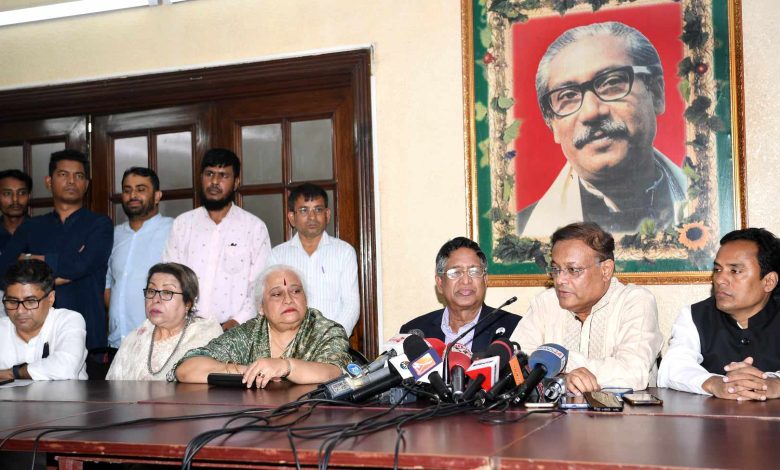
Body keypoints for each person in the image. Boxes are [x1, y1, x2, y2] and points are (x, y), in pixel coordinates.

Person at [517, 22, 687, 238]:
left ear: (656, 93)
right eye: (567, 96)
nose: (591, 112)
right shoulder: (521, 234)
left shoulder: (707, 202)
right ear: (553, 125)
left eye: (611, 83)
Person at [511, 222, 662, 394]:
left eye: (573, 270)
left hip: (622, 410)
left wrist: (559, 360)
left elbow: (633, 373)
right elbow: (516, 364)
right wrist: (563, 379)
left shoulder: (635, 301)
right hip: (555, 411)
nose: (559, 280)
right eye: (556, 269)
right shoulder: (546, 302)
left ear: (606, 270)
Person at [0, 150, 113, 351]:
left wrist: (29, 260)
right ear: (49, 182)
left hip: (88, 331)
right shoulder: (31, 226)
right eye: (63, 174)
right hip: (34, 336)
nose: (71, 181)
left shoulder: (100, 224)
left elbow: (81, 265)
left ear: (86, 184)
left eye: (78, 176)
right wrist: (64, 270)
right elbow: (5, 271)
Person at [173, 264, 350, 387]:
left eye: (296, 291)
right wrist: (251, 371)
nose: (288, 299)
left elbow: (335, 371)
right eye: (277, 294)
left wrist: (285, 367)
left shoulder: (326, 330)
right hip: (257, 417)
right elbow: (186, 370)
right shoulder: (248, 333)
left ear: (306, 298)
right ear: (261, 307)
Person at [659, 228, 780, 400]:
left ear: (768, 282)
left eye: (735, 271)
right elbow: (671, 368)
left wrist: (773, 384)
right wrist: (715, 383)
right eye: (717, 269)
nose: (720, 279)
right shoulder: (694, 316)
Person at [163, 148, 271, 331]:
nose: (214, 181)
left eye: (223, 175)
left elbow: (260, 285)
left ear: (236, 182)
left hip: (236, 331)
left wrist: (236, 323)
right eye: (209, 174)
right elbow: (170, 278)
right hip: (186, 330)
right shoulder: (183, 224)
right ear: (201, 178)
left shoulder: (254, 228)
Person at [400, 237, 521, 352]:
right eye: (455, 272)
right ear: (440, 283)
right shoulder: (414, 333)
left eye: (474, 271)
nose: (466, 281)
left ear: (485, 280)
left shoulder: (515, 328)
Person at [268, 183, 359, 334]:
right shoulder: (277, 256)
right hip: (289, 341)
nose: (312, 217)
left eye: (318, 210)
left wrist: (332, 339)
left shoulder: (344, 252)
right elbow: (272, 304)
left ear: (327, 215)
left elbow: (351, 305)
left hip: (331, 341)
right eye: (304, 210)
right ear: (292, 217)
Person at [106, 263, 222, 381]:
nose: (155, 299)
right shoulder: (135, 339)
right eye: (151, 291)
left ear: (188, 303)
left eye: (167, 292)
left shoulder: (205, 338)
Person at [105, 167, 174, 348]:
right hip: (117, 344)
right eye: (127, 190)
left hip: (158, 344)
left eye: (141, 189)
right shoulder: (114, 235)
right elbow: (108, 286)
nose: (133, 195)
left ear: (157, 196)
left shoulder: (174, 230)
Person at [0, 260, 87, 380]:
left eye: (30, 301)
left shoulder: (68, 320)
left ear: (51, 299)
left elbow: (65, 368)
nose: (20, 311)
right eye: (12, 301)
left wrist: (13, 373)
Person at [0, 169, 32, 254]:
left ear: (29, 196)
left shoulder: (43, 232)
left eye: (22, 193)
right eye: (7, 193)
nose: (15, 199)